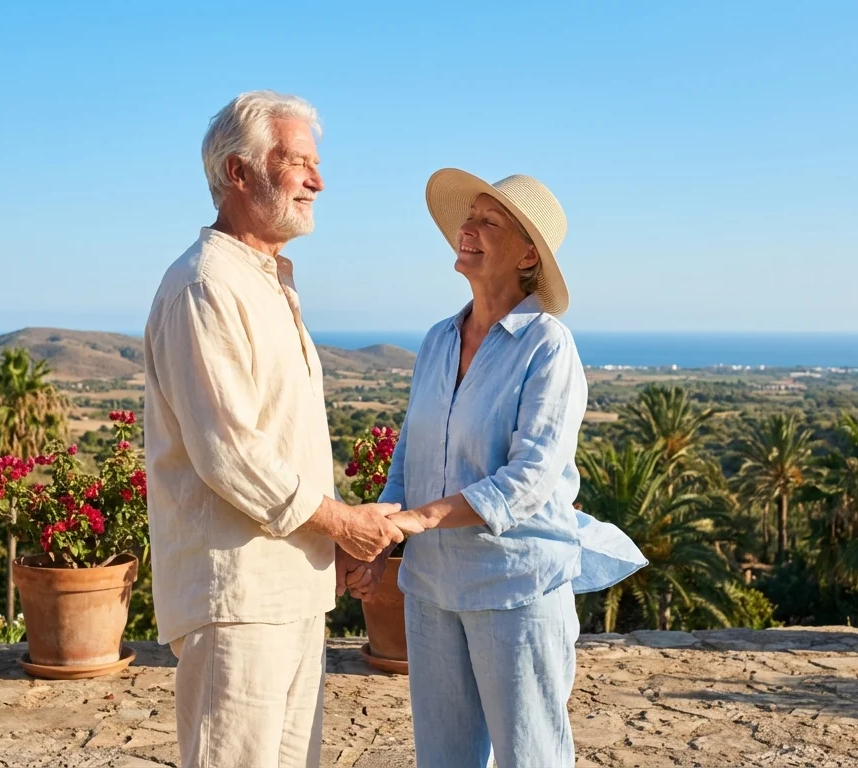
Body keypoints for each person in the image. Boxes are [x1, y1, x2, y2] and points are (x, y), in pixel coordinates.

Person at [143, 90, 404, 768]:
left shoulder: (264, 284)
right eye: (298, 163)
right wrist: (342, 523)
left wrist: (330, 539)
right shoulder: (206, 286)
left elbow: (284, 443)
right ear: (238, 172)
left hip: (286, 590)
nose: (319, 181)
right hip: (238, 598)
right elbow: (230, 454)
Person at [360, 170, 643, 768]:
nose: (468, 229)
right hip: (431, 588)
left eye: (490, 222)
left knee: (530, 757)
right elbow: (411, 452)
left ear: (527, 255)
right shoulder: (439, 339)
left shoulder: (548, 346)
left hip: (515, 587)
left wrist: (420, 520)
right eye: (470, 218)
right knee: (444, 759)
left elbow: (532, 475)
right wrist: (383, 537)